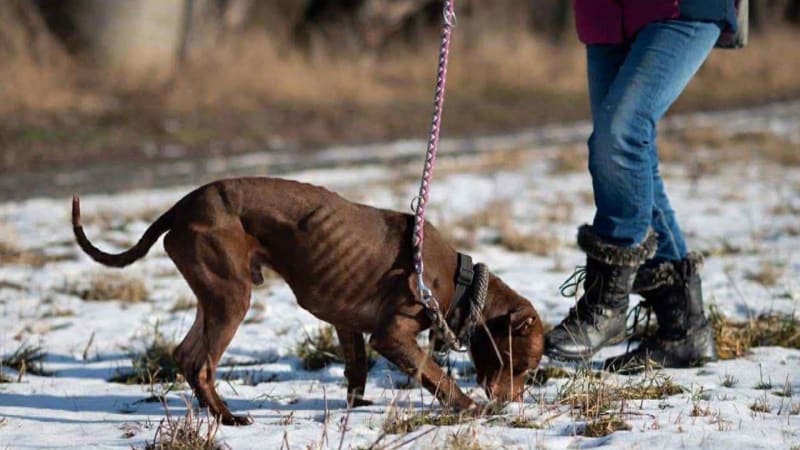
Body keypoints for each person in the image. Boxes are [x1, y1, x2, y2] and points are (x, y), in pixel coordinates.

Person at [545, 0, 742, 371]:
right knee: (634, 159)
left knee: (620, 136)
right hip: (605, 15)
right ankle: (684, 331)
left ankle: (606, 305)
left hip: (682, 8)